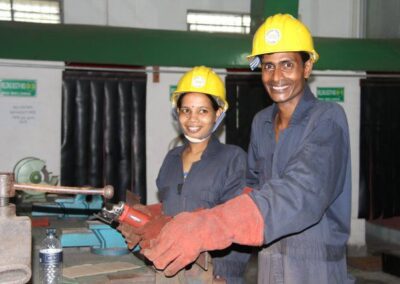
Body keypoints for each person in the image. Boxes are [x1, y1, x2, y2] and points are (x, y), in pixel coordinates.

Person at [142, 13, 354, 284]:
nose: (276, 76)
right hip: (268, 260)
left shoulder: (327, 119)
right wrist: (193, 217)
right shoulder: (262, 122)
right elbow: (252, 187)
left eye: (287, 64)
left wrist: (213, 225)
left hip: (314, 268)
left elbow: (303, 192)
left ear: (307, 66)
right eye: (268, 66)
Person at [119, 66, 252, 283]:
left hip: (215, 274)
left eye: (203, 111)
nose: (193, 119)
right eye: (186, 110)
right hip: (170, 271)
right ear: (178, 113)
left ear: (217, 114)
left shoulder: (233, 159)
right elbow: (171, 208)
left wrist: (225, 274)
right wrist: (145, 219)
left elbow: (238, 222)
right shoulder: (171, 159)